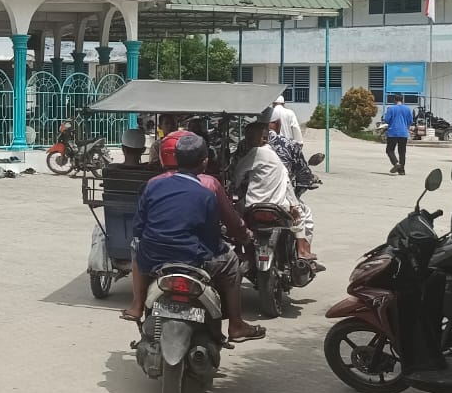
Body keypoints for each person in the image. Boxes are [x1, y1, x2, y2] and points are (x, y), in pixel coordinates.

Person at [127, 132, 264, 342]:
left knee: (137, 246)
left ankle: (137, 305)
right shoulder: (207, 191)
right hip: (192, 259)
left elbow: (138, 227)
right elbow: (212, 236)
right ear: (204, 163)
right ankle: (236, 325)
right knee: (232, 262)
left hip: (153, 258)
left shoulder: (152, 185)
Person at [234, 116, 318, 267]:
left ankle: (242, 248)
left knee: (236, 217)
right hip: (279, 205)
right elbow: (289, 181)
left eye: (250, 137)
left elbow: (238, 171)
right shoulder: (281, 148)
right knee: (300, 217)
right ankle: (302, 251)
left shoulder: (253, 151)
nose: (247, 140)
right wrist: (294, 204)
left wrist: (235, 186)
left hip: (253, 204)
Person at [267, 117, 317, 194]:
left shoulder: (245, 144)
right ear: (278, 124)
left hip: (250, 197)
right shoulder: (290, 144)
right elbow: (303, 173)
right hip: (283, 194)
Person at [380, 93, 415, 175]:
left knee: (389, 150)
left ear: (394, 100)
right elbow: (410, 121)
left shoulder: (391, 109)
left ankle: (396, 163)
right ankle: (402, 171)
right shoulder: (407, 109)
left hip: (393, 132)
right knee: (402, 152)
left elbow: (387, 120)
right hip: (403, 133)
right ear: (402, 100)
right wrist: (407, 129)